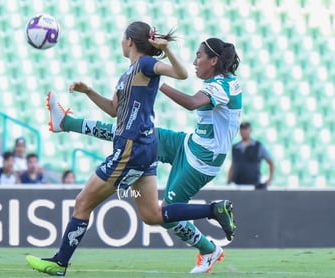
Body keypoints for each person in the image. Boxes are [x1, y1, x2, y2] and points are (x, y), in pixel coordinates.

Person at [26, 22, 236, 276]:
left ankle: (60, 263)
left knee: (83, 202)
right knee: (152, 215)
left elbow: (181, 76)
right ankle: (66, 122)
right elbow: (115, 110)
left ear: (129, 41)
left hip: (136, 151)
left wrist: (167, 50)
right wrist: (89, 92)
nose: (195, 60)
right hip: (152, 146)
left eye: (122, 37)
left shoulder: (146, 64)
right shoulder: (127, 74)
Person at [227, 121, 274, 189]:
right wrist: (228, 181)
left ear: (250, 130)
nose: (244, 132)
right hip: (237, 185)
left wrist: (270, 180)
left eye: (246, 129)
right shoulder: (235, 147)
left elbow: (270, 163)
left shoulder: (258, 146)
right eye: (242, 129)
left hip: (254, 185)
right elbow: (233, 165)